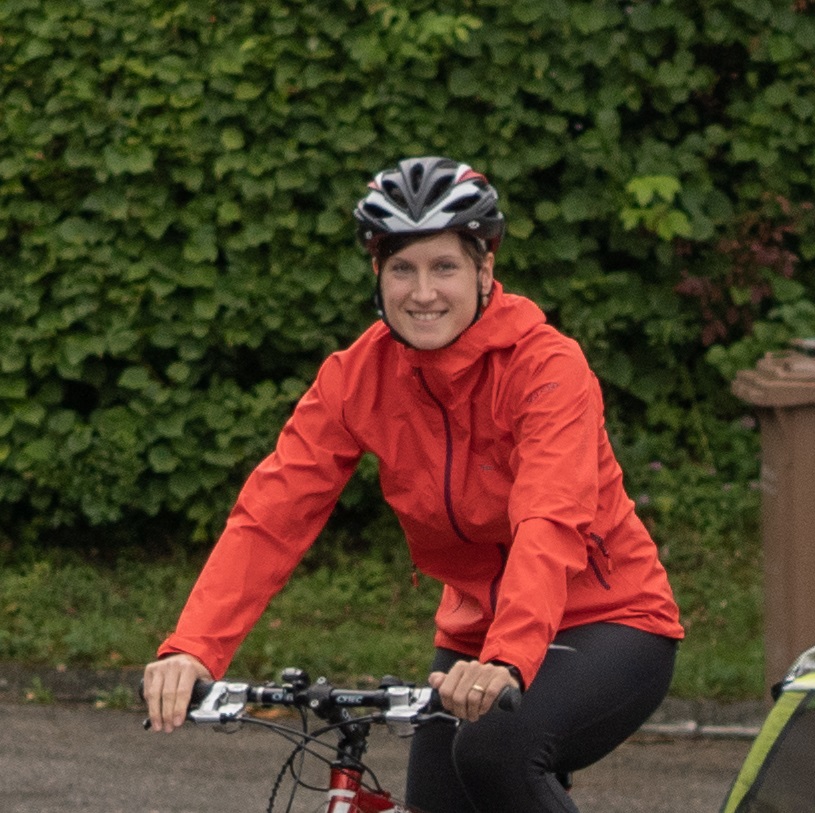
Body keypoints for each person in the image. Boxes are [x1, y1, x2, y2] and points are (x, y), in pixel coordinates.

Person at [143, 156, 684, 812]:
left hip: (607, 619)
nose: (422, 291)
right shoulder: (356, 376)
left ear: (484, 270)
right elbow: (272, 513)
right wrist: (194, 648)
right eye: (403, 268)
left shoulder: (547, 367)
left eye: (444, 267)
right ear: (378, 275)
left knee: (494, 751)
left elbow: (549, 516)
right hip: (474, 638)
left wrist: (507, 659)